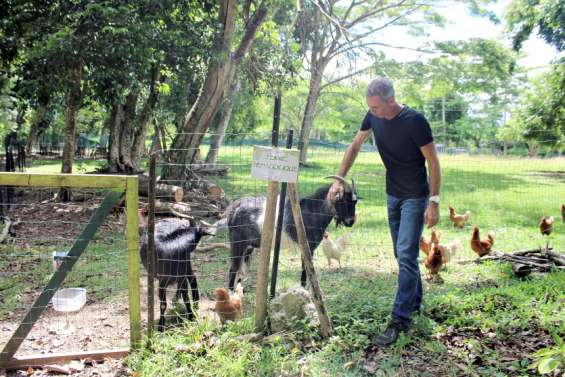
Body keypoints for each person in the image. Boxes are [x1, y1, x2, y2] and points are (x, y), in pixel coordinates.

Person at [328, 77, 441, 346]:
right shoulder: (373, 115)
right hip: (393, 194)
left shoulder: (415, 121)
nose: (373, 112)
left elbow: (434, 163)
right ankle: (414, 305)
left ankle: (400, 321)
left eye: (376, 107)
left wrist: (434, 201)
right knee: (403, 256)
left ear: (391, 102)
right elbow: (355, 145)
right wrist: (338, 178)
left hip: (415, 196)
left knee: (405, 254)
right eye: (370, 108)